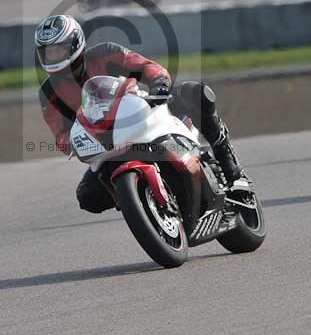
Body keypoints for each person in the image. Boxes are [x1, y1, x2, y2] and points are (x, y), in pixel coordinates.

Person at [35, 14, 247, 214]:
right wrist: (70, 141)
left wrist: (159, 84)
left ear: (75, 44)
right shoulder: (48, 92)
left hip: (142, 115)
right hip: (107, 145)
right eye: (48, 52)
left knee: (196, 93)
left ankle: (232, 172)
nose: (53, 57)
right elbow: (60, 133)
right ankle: (141, 202)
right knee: (88, 197)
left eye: (58, 50)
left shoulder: (105, 54)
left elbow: (147, 67)